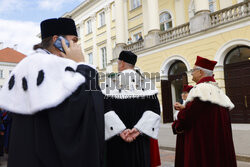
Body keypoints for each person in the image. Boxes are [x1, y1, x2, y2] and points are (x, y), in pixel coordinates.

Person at [0, 18, 104, 167]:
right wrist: (83, 66)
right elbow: (83, 106)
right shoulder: (50, 67)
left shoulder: (31, 64)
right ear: (57, 40)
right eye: (74, 40)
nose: (77, 46)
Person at [172, 56, 237, 167]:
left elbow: (186, 118)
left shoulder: (200, 90)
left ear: (201, 72)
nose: (191, 73)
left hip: (202, 146)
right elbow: (204, 113)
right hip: (217, 144)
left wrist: (177, 123)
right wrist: (185, 108)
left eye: (193, 70)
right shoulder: (217, 91)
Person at [102, 51, 161, 167]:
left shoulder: (110, 83)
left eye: (118, 63)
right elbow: (155, 111)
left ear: (122, 63)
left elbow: (104, 109)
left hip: (117, 141)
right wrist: (138, 130)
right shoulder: (147, 83)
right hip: (139, 140)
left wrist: (120, 130)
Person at [172, 85, 193, 167]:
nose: (183, 95)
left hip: (188, 134)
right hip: (181, 135)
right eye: (182, 93)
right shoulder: (182, 102)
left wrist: (183, 109)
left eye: (186, 93)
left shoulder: (191, 104)